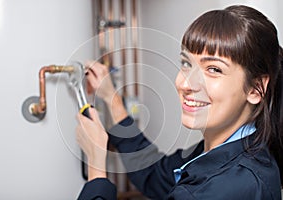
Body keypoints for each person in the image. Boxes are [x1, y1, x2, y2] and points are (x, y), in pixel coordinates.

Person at [76, 5, 283, 200]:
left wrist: (96, 169)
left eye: (213, 69)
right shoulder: (230, 148)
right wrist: (112, 98)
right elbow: (155, 175)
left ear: (256, 89)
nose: (185, 83)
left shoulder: (222, 188)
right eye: (186, 63)